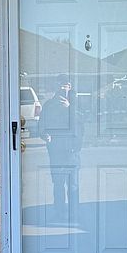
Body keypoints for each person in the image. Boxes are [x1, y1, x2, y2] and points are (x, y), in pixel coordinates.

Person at [37, 74, 82, 219]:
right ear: (56, 86)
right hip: (55, 150)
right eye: (61, 85)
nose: (64, 88)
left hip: (72, 150)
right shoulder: (48, 105)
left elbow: (81, 126)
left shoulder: (76, 105)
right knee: (58, 183)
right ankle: (59, 212)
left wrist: (70, 108)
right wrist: (45, 135)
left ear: (71, 87)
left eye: (67, 85)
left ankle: (74, 213)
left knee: (73, 184)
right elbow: (41, 127)